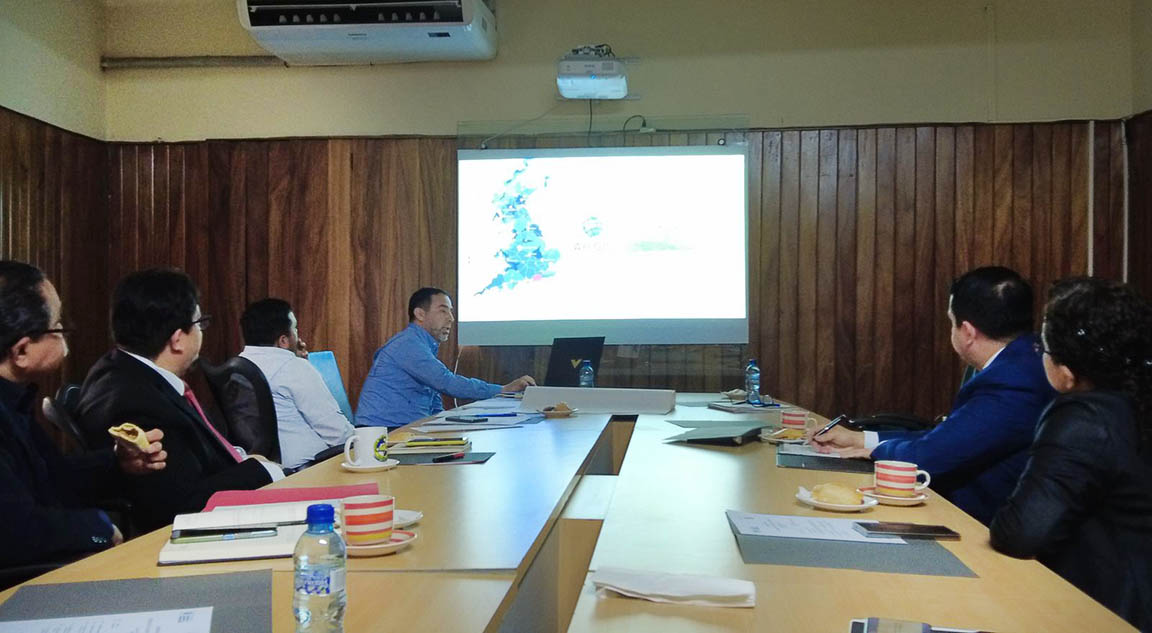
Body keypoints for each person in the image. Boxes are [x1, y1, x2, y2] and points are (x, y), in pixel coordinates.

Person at [809, 266, 1056, 524]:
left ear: (968, 332)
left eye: (951, 321)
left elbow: (929, 456)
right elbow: (949, 438)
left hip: (980, 524)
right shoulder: (1023, 359)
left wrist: (873, 451)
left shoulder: (1012, 381)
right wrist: (861, 439)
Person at [990, 278, 1152, 631]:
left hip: (1106, 615)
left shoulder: (1084, 418)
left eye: (1043, 349)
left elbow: (1020, 533)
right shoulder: (1133, 404)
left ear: (1066, 374)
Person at [76, 269, 282, 532]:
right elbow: (182, 504)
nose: (201, 332)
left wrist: (244, 459)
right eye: (199, 324)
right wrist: (264, 471)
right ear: (178, 339)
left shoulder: (115, 368)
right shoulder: (140, 406)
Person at [0, 261, 166, 567]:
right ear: (21, 351)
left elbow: (54, 477)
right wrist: (98, 529)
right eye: (57, 326)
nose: (65, 337)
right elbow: (16, 532)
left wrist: (118, 462)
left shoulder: (13, 399)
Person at [356, 287, 535, 428]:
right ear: (420, 314)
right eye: (443, 311)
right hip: (382, 433)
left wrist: (444, 421)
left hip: (403, 428)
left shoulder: (422, 344)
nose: (451, 318)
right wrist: (503, 389)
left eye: (451, 311)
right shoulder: (407, 344)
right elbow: (446, 382)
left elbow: (433, 395)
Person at [238, 298, 354, 470]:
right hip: (311, 468)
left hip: (263, 469)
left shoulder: (237, 368)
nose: (298, 335)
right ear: (284, 340)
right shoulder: (293, 368)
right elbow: (337, 433)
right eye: (295, 329)